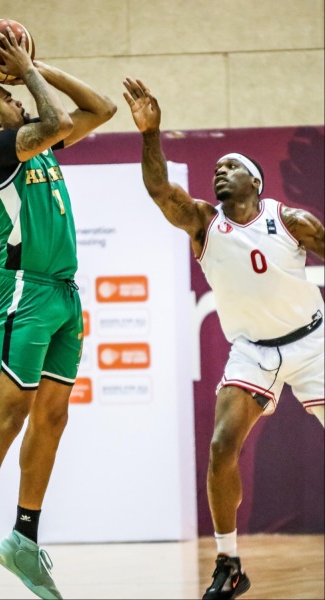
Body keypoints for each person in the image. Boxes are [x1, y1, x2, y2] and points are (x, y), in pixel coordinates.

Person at [122, 77, 325, 600]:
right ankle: (229, 563)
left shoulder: (292, 221)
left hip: (311, 347)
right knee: (220, 448)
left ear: (255, 182)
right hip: (253, 352)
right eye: (217, 168)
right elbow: (158, 190)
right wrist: (151, 133)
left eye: (230, 165)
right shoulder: (203, 224)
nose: (219, 170)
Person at [0, 30, 116, 600]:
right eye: (6, 96)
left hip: (64, 293)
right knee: (10, 411)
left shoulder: (35, 142)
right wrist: (28, 74)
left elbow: (100, 109)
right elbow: (59, 122)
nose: (17, 97)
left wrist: (38, 65)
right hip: (24, 288)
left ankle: (22, 538)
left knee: (53, 417)